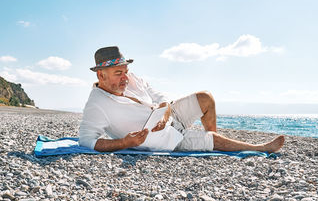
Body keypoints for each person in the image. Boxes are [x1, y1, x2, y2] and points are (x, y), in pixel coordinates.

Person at [79, 46, 285, 153]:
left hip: (169, 117)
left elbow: (161, 96)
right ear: (101, 75)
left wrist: (165, 112)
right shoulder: (96, 105)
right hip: (161, 140)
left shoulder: (130, 79)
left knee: (206, 98)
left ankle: (214, 141)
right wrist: (125, 142)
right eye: (118, 73)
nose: (125, 77)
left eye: (126, 70)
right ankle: (259, 148)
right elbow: (87, 141)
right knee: (210, 140)